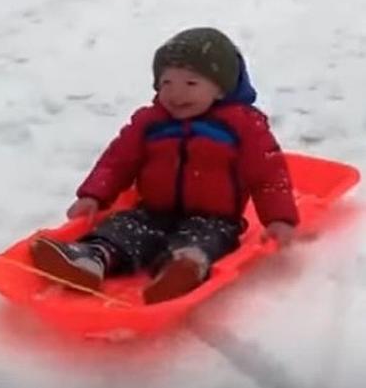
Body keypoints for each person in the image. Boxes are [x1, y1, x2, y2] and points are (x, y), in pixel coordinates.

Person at [30, 27, 298, 304]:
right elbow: (117, 160)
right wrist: (94, 194)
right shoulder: (150, 121)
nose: (176, 93)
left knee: (204, 239)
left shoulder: (242, 125)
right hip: (153, 211)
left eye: (191, 84)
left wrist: (279, 218)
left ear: (221, 89)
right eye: (167, 82)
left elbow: (268, 173)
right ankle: (90, 260)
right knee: (123, 227)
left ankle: (182, 269)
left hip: (214, 218)